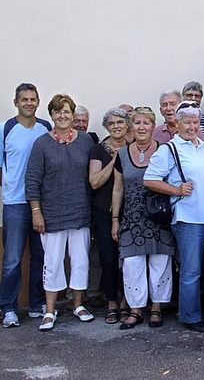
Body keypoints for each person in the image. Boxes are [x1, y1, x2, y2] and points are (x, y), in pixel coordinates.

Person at [144, 102, 204, 332]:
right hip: (188, 218)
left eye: (195, 122)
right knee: (191, 270)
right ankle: (190, 316)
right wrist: (176, 190)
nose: (192, 127)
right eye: (187, 122)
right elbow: (150, 180)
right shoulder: (169, 149)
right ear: (177, 123)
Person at [25, 94, 95, 331]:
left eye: (66, 112)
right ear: (51, 115)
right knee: (52, 263)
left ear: (73, 115)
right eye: (58, 112)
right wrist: (36, 212)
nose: (63, 116)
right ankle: (49, 310)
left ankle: (78, 305)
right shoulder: (42, 144)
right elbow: (32, 179)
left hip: (80, 212)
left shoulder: (85, 141)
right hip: (52, 213)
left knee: (80, 260)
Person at [111, 107, 174, 330]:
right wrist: (115, 219)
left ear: (152, 126)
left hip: (158, 216)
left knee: (160, 263)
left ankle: (156, 308)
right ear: (131, 127)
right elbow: (118, 189)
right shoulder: (122, 154)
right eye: (137, 123)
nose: (141, 127)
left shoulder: (165, 150)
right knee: (132, 264)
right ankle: (136, 310)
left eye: (146, 123)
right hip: (132, 218)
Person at [0, 83, 51, 328]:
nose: (29, 103)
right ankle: (9, 308)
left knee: (41, 256)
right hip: (15, 204)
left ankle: (36, 304)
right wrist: (11, 187)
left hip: (43, 203)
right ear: (16, 102)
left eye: (33, 99)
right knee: (12, 258)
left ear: (38, 102)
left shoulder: (45, 128)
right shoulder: (6, 129)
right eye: (24, 99)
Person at [88, 107, 129, 324]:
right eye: (112, 123)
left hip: (129, 211)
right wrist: (115, 160)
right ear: (106, 127)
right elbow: (94, 182)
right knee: (108, 256)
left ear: (127, 125)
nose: (116, 126)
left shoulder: (133, 148)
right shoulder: (98, 150)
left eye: (120, 122)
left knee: (129, 259)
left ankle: (126, 300)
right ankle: (112, 301)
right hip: (104, 211)